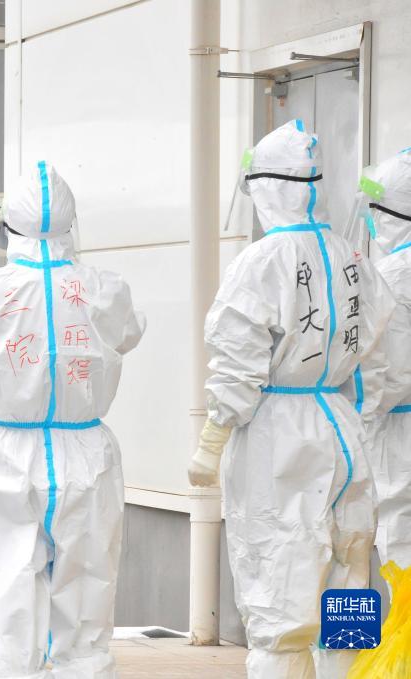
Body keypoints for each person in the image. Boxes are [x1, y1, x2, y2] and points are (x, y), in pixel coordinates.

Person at [0, 162, 145, 679]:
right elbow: (130, 331)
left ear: (8, 228)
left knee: (6, 592)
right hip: (85, 452)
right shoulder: (104, 288)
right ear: (72, 225)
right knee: (87, 594)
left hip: (4, 453)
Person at [188, 119, 394, 678]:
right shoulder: (352, 257)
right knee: (349, 575)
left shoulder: (262, 261)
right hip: (341, 427)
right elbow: (375, 348)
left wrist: (213, 438)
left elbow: (237, 357)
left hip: (279, 434)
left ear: (267, 188)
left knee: (278, 583)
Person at [357, 149, 411, 569]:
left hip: (400, 432)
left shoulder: (392, 276)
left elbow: (392, 374)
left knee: (400, 534)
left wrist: (357, 412)